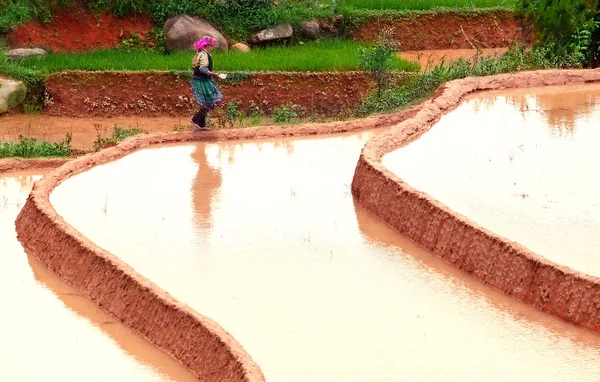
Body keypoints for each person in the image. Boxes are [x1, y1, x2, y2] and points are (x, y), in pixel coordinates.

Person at [190, 36, 223, 131]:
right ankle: (195, 120)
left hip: (199, 79)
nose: (212, 48)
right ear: (208, 45)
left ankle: (201, 125)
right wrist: (215, 74)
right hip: (203, 80)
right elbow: (203, 69)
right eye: (212, 46)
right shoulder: (204, 54)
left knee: (205, 102)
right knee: (212, 99)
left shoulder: (200, 53)